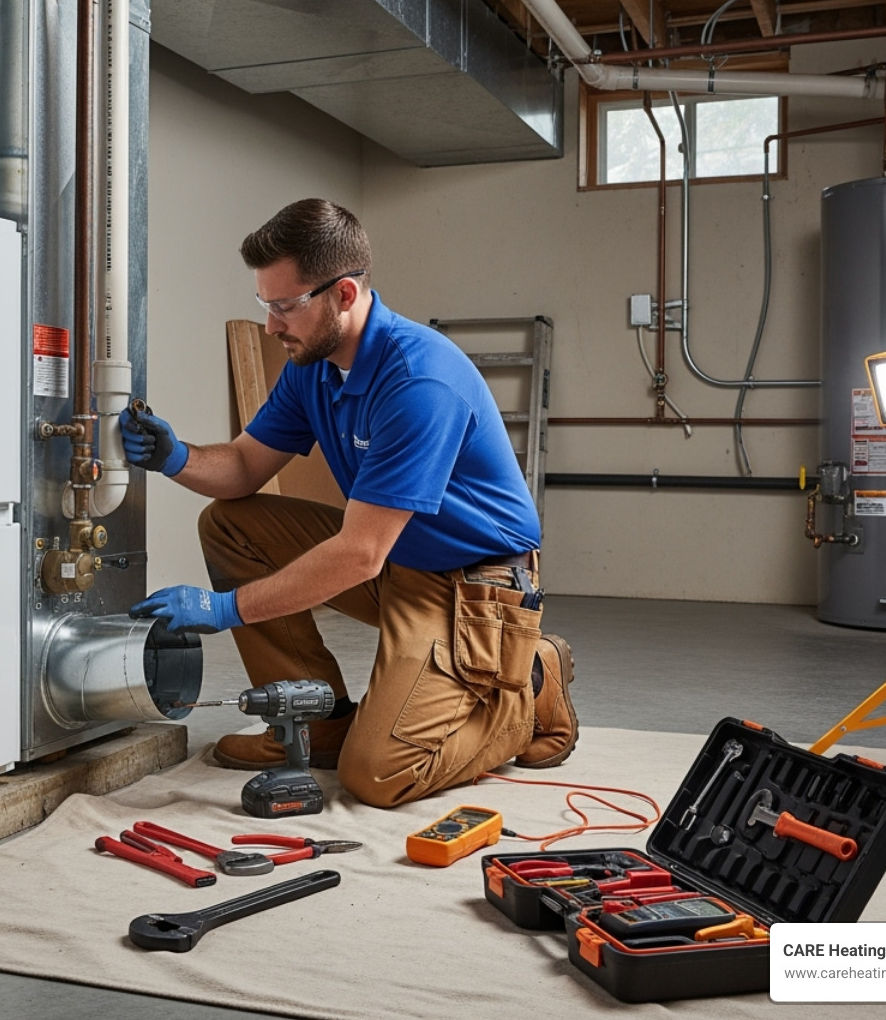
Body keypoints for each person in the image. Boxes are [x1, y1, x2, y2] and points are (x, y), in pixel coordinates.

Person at [122, 198, 576, 808]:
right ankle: (317, 723)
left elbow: (359, 553)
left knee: (380, 775)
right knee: (233, 524)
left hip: (473, 585)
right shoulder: (314, 366)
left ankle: (532, 682)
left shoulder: (418, 382)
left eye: (285, 306)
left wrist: (226, 609)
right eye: (265, 305)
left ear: (343, 294)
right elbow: (243, 469)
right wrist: (175, 457)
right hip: (398, 558)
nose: (271, 326)